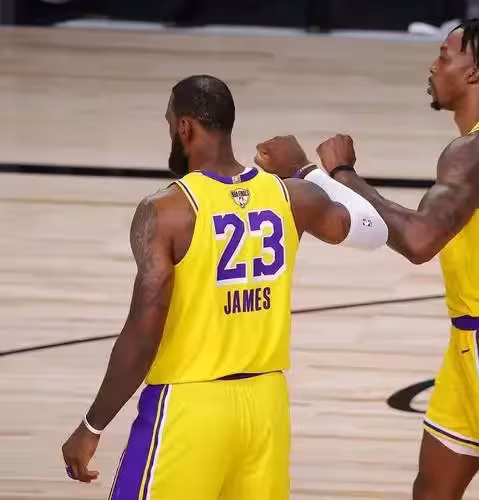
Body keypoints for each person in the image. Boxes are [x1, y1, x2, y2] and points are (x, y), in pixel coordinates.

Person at [260, 19, 479, 500]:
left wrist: (337, 175)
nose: (434, 66)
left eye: (445, 56)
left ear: (475, 73)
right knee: (432, 488)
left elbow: (418, 241)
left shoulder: (474, 153)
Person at [61, 74, 389, 499]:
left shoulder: (167, 209)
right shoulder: (291, 196)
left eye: (169, 122)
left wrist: (92, 426)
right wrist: (311, 173)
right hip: (266, 408)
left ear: (184, 127)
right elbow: (374, 229)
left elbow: (143, 334)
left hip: (190, 408)